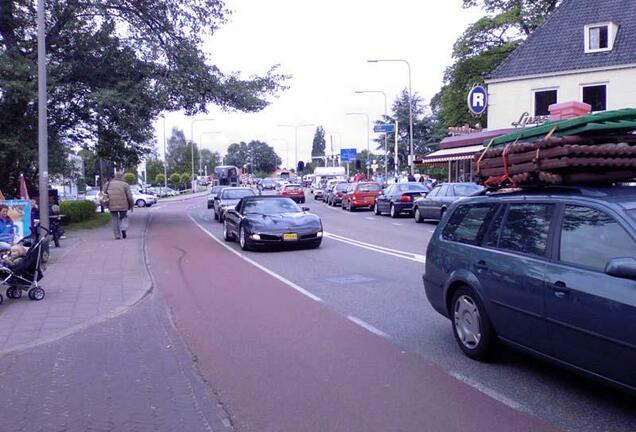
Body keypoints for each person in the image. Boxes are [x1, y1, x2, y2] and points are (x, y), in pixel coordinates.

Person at [105, 171, 134, 239]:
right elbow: (129, 196)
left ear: (115, 176)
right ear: (122, 176)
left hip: (111, 204)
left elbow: (103, 194)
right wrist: (131, 205)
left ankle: (117, 235)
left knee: (114, 219)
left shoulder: (108, 184)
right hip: (124, 205)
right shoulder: (125, 184)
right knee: (124, 217)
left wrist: (105, 203)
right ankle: (123, 228)